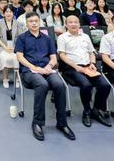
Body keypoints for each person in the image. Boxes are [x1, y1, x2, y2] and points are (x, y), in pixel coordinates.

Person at [15, 12, 75, 141]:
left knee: (59, 85)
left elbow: (53, 57)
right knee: (42, 84)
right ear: (27, 24)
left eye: (36, 21)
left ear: (40, 22)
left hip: (46, 69)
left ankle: (62, 123)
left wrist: (49, 66)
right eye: (31, 21)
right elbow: (20, 57)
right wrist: (34, 67)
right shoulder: (21, 38)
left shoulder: (47, 39)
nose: (34, 23)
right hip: (29, 71)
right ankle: (37, 123)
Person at [58, 15, 112, 127]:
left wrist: (92, 63)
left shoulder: (85, 36)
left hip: (88, 67)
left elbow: (91, 52)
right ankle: (87, 111)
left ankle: (96, 110)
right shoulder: (62, 37)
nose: (73, 24)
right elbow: (62, 55)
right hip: (72, 68)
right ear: (66, 25)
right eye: (70, 22)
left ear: (79, 24)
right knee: (86, 85)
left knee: (105, 85)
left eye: (76, 22)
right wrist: (76, 67)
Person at [0, 7, 26, 88]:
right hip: (1, 46)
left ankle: (16, 79)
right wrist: (6, 48)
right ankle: (5, 79)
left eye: (10, 12)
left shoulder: (17, 23)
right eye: (6, 12)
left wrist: (15, 48)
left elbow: (20, 37)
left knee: (16, 57)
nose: (8, 13)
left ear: (13, 13)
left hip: (14, 46)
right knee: (5, 58)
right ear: (3, 13)